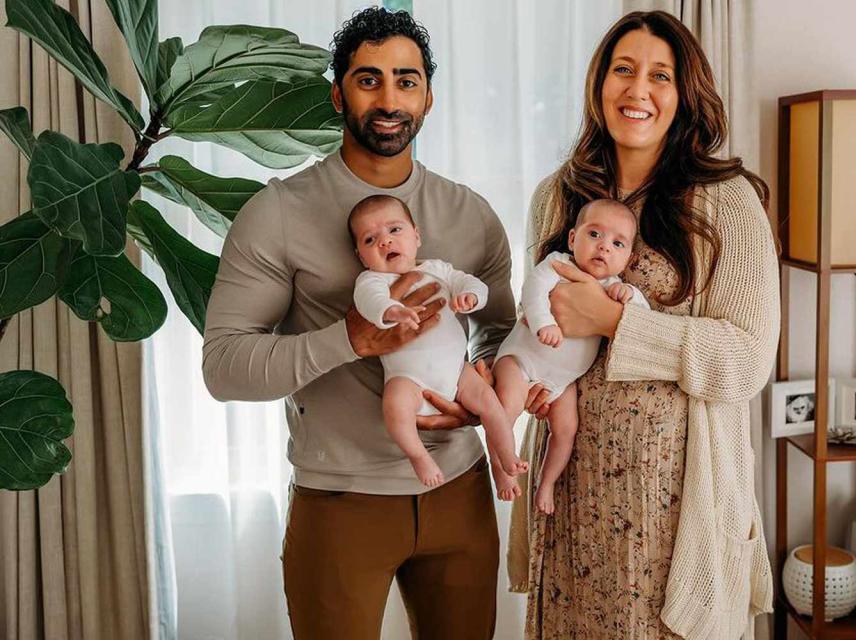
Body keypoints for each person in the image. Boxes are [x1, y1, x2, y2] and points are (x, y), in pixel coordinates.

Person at [201, 8, 515, 639]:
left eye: (406, 79)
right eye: (368, 80)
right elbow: (224, 367)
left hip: (460, 491)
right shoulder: (278, 214)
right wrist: (349, 338)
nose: (389, 98)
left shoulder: (470, 214)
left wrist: (475, 401)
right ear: (337, 93)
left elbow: (501, 333)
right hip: (340, 500)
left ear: (428, 95)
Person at [507, 10, 780, 640]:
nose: (638, 90)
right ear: (599, 82)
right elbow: (535, 322)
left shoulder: (726, 200)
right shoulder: (556, 197)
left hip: (674, 504)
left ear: (683, 95)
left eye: (660, 75)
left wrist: (616, 324)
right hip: (572, 486)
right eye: (623, 69)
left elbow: (748, 360)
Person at [349, 194, 526, 487]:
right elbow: (368, 302)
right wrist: (391, 309)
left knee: (491, 405)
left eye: (395, 230)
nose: (385, 241)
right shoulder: (372, 281)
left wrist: (470, 296)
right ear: (360, 256)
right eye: (370, 240)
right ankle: (419, 456)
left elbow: (470, 282)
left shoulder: (437, 269)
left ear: (416, 236)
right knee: (395, 409)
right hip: (409, 377)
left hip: (457, 370)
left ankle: (505, 461)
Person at [492, 199, 648, 513]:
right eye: (595, 235)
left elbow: (641, 323)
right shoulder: (557, 265)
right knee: (503, 412)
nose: (604, 247)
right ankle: (501, 470)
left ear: (628, 257)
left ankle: (546, 482)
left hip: (563, 381)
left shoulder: (614, 287)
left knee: (565, 431)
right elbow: (532, 293)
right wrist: (543, 323)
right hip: (522, 361)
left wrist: (630, 297)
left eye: (617, 243)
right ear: (573, 239)